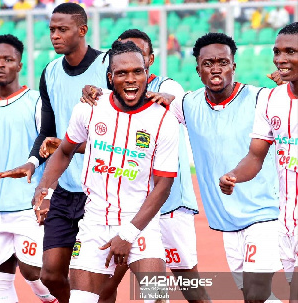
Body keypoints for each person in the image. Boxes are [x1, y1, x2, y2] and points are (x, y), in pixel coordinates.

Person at [33, 40, 180, 303]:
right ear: (110, 78)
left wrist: (128, 234)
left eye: (137, 71)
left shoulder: (163, 119)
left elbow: (163, 186)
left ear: (147, 72)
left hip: (141, 224)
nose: (131, 79)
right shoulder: (90, 108)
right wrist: (44, 189)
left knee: (157, 298)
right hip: (95, 223)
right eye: (122, 73)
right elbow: (65, 151)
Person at [80, 29, 210, 303]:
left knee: (186, 284)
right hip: (125, 211)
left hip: (170, 207)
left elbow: (170, 95)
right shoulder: (110, 96)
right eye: (122, 52)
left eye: (138, 53)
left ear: (149, 58)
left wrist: (127, 95)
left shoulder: (168, 85)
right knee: (106, 286)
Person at [0, 3, 109, 303]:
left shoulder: (108, 66)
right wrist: (34, 164)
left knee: (129, 281)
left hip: (104, 191)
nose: (55, 36)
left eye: (62, 29)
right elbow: (47, 131)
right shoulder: (49, 72)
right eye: (51, 30)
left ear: (82, 30)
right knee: (50, 275)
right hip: (66, 190)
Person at [168, 32, 283, 302]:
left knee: (255, 294)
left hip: (266, 213)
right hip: (227, 220)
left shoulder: (262, 99)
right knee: (256, 297)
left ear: (234, 65)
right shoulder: (187, 105)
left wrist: (292, 90)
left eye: (223, 61)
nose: (216, 68)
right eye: (208, 63)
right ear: (198, 69)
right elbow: (146, 111)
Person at [219, 22, 298, 302]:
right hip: (286, 221)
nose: (281, 59)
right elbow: (255, 156)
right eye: (277, 52)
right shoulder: (271, 99)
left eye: (291, 51)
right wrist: (234, 176)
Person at [0, 34, 57, 303]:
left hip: (27, 205)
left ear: (19, 65)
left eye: (8, 59)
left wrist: (49, 194)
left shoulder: (36, 103)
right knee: (0, 279)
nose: (1, 64)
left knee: (33, 271)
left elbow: (55, 150)